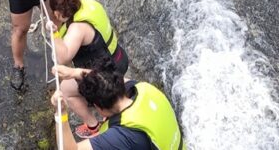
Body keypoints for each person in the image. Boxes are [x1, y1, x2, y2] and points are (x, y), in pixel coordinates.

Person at [47, 0, 130, 139]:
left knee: (65, 89)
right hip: (119, 58)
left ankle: (93, 125)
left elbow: (62, 57)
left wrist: (54, 34)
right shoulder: (86, 4)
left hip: (107, 73)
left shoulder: (77, 29)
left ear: (58, 14)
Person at [51, 59, 185, 150]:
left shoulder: (123, 136)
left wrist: (61, 113)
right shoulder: (142, 88)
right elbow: (104, 79)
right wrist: (74, 72)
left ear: (99, 108)